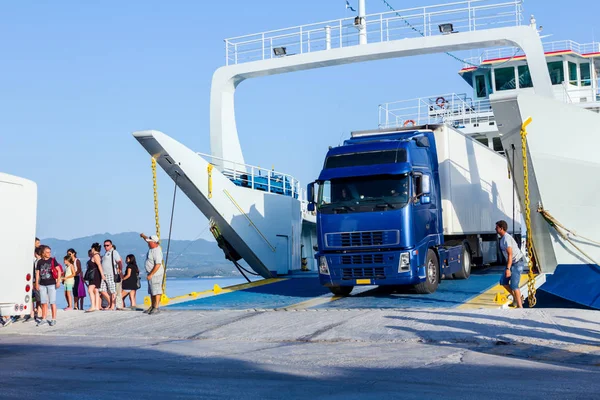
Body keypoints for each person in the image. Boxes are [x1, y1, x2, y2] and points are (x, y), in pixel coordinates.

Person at [496, 220, 525, 308]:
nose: (495, 229)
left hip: (517, 263)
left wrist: (508, 269)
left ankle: (520, 307)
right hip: (511, 263)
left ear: (501, 228)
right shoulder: (502, 239)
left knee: (514, 285)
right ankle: (516, 298)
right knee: (503, 282)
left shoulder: (506, 239)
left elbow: (510, 254)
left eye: (497, 227)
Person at [34, 246, 62, 326]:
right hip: (42, 284)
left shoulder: (52, 260)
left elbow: (59, 270)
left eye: (50, 252)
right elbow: (37, 273)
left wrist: (58, 281)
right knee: (43, 302)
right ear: (43, 253)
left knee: (52, 302)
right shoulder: (39, 262)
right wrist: (36, 283)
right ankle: (44, 318)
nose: (49, 253)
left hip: (51, 284)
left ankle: (53, 319)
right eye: (47, 252)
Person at [140, 233, 164, 315]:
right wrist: (143, 236)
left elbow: (158, 264)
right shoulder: (151, 247)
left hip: (156, 274)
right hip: (150, 273)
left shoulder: (157, 251)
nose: (148, 243)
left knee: (156, 290)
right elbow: (147, 239)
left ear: (154, 242)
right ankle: (152, 306)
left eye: (150, 242)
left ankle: (156, 307)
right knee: (152, 291)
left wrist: (151, 274)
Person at [99, 240, 122, 310]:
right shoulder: (105, 253)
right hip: (104, 274)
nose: (106, 247)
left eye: (107, 245)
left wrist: (120, 269)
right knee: (101, 289)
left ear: (111, 245)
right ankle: (110, 303)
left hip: (111, 274)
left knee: (112, 290)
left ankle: (112, 305)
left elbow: (119, 261)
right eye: (104, 245)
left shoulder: (114, 252)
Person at [85, 245, 104, 312]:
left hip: (95, 275)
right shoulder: (96, 255)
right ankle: (96, 306)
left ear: (94, 248)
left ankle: (93, 306)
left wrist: (102, 275)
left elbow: (99, 265)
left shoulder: (96, 255)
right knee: (96, 290)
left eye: (92, 248)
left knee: (90, 290)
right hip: (95, 274)